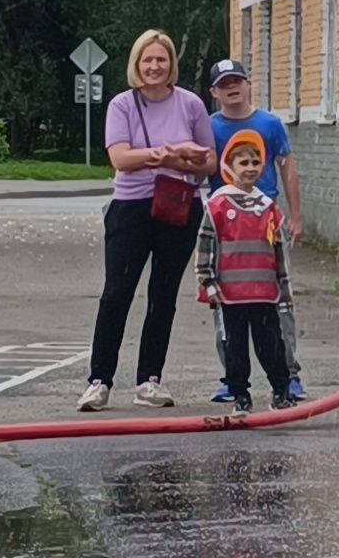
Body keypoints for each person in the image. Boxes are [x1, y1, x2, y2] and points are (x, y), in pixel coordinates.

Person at [79, 29, 217, 412]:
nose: (154, 66)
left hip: (179, 207)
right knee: (116, 294)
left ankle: (149, 381)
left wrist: (167, 158)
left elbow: (209, 162)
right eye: (147, 60)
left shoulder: (190, 104)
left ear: (171, 64)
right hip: (132, 208)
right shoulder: (122, 105)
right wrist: (173, 155)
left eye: (162, 59)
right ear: (136, 64)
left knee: (163, 296)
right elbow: (121, 159)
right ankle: (99, 381)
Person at [205, 59, 307, 404]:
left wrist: (295, 216)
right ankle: (233, 381)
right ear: (214, 92)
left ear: (249, 84)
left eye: (238, 80)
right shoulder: (209, 126)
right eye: (224, 83)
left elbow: (288, 167)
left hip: (266, 225)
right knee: (226, 309)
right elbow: (200, 167)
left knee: (278, 303)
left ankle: (289, 376)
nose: (232, 87)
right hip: (227, 230)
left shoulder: (270, 123)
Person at [195, 130, 298, 413]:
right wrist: (208, 284)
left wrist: (285, 292)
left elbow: (280, 254)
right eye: (243, 163)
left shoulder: (269, 208)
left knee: (272, 346)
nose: (250, 168)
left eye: (256, 162)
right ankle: (240, 394)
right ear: (229, 167)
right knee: (235, 348)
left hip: (264, 293)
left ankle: (281, 390)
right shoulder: (218, 206)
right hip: (231, 295)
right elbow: (206, 248)